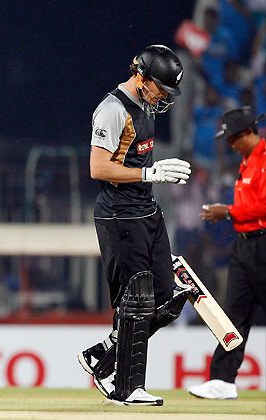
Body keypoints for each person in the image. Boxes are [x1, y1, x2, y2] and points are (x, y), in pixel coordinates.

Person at [79, 45, 194, 406]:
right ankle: (126, 388)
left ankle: (105, 352)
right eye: (161, 87)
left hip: (146, 209)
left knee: (167, 299)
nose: (164, 96)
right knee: (137, 301)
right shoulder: (112, 109)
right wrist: (150, 172)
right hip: (119, 216)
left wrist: (151, 180)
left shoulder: (146, 103)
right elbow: (98, 168)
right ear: (141, 77)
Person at [189, 106, 266, 400]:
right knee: (231, 315)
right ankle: (222, 380)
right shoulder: (247, 161)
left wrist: (228, 211)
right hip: (245, 245)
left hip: (263, 244)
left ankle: (223, 379)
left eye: (233, 138)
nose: (230, 144)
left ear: (248, 132)